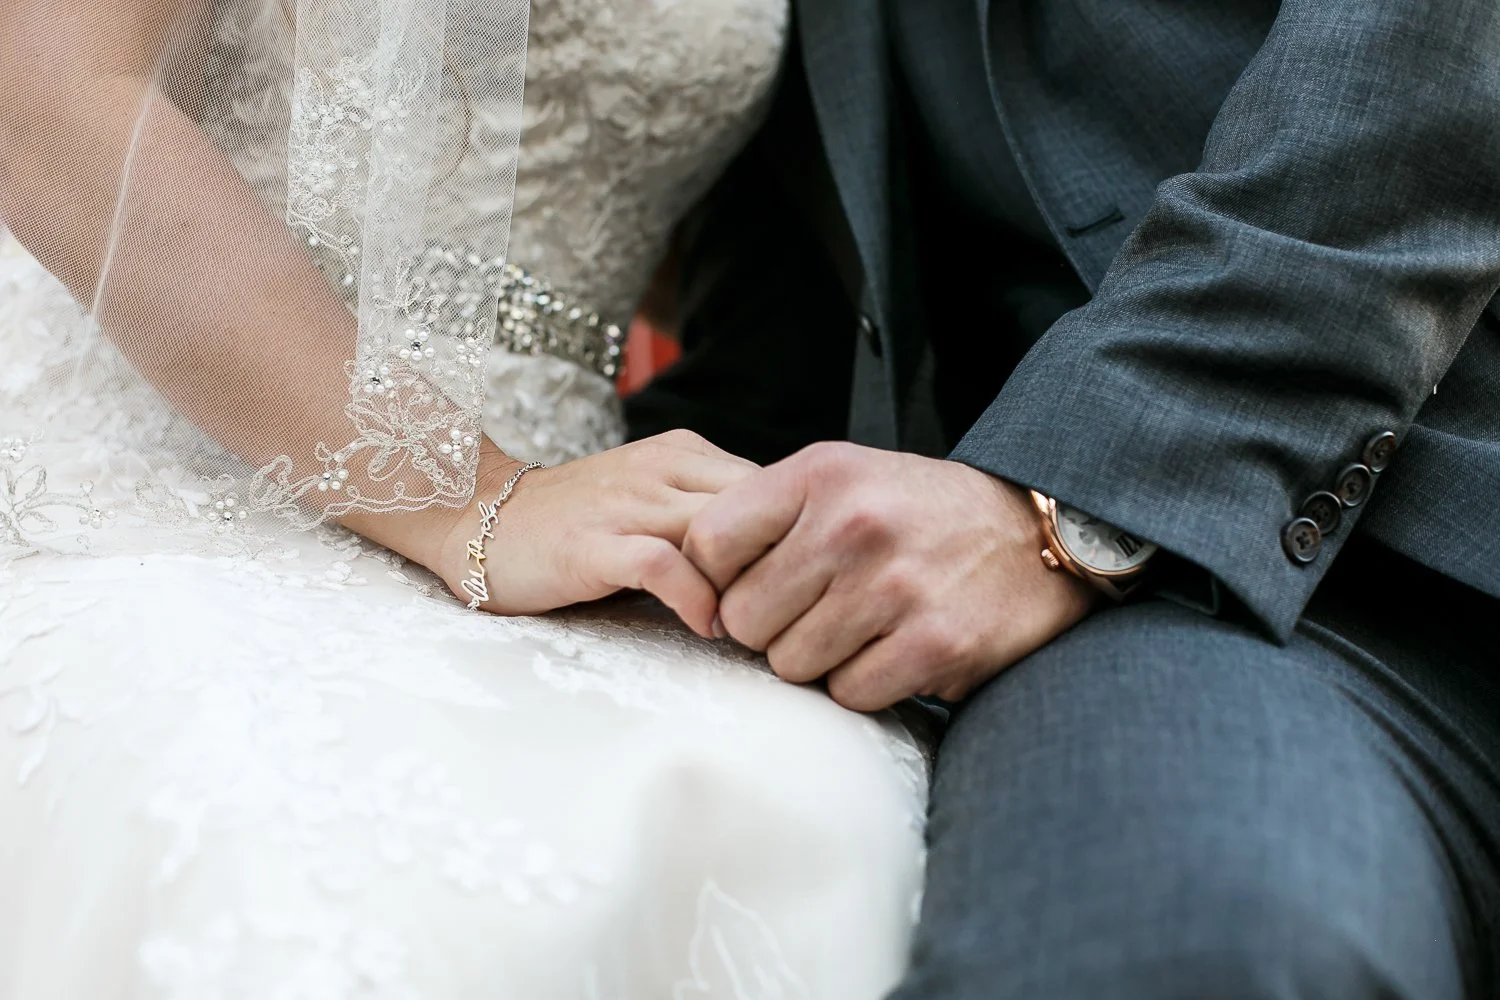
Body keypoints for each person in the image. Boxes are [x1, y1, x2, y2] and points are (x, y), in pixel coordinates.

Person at [0, 1, 930, 996]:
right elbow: (47, 96)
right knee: (300, 833)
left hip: (588, 521)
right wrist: (464, 491)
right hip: (173, 471)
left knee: (804, 796)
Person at [628, 0, 1500, 996]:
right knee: (1185, 940)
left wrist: (1059, 499)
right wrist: (551, 503)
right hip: (1217, 635)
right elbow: (788, 343)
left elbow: (1417, 73)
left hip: (1307, 482)